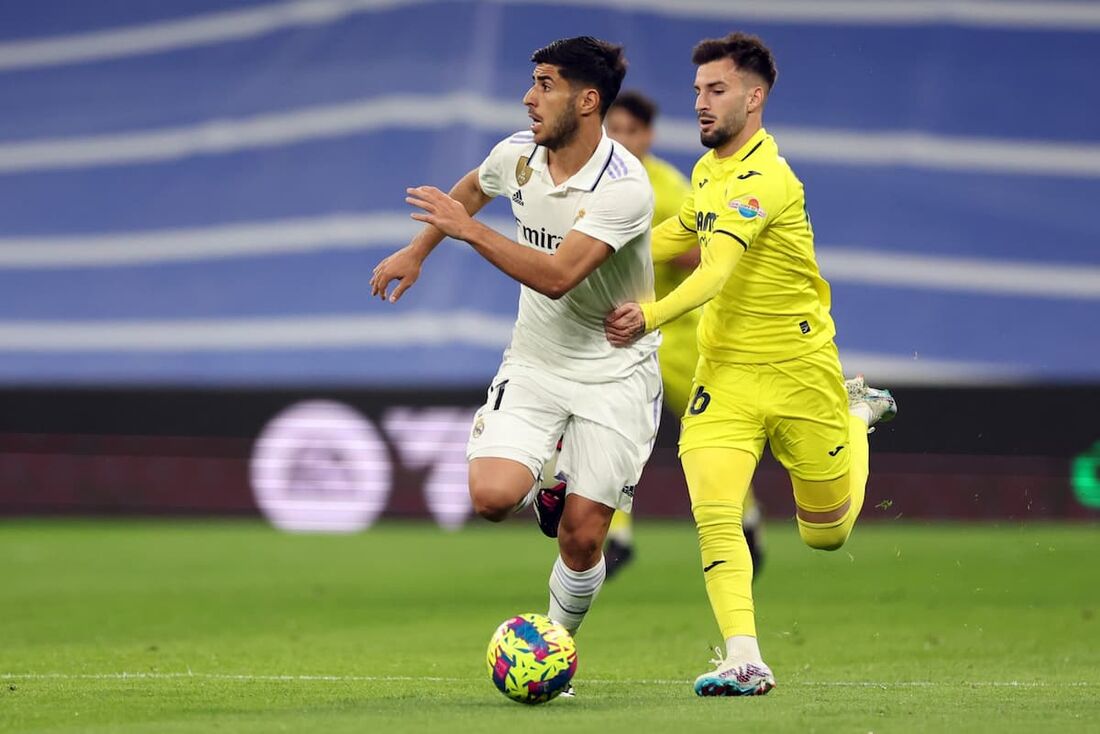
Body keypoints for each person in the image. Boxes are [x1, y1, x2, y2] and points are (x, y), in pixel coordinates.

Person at [604, 33, 897, 697]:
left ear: (753, 97)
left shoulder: (768, 177)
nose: (702, 104)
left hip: (801, 371)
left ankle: (856, 413)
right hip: (725, 374)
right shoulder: (707, 173)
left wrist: (647, 316)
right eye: (698, 92)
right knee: (715, 512)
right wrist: (589, 253)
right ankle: (744, 656)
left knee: (825, 535)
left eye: (717, 91)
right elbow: (677, 235)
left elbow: (715, 270)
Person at [371, 37, 662, 666]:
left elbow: (558, 276)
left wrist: (466, 231)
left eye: (546, 85)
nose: (530, 98)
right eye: (532, 82)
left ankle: (551, 651)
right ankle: (551, 483)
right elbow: (474, 187)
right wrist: (417, 252)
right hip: (536, 359)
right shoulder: (519, 154)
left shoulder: (623, 187)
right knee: (493, 498)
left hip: (616, 370)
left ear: (588, 101)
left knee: (584, 541)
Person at [604, 90, 767, 581]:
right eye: (614, 129)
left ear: (648, 136)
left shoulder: (669, 189)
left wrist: (645, 249)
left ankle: (748, 518)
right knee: (612, 432)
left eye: (632, 131)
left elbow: (705, 256)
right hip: (624, 338)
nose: (622, 139)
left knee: (712, 439)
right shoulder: (596, 182)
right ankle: (616, 536)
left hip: (678, 337)